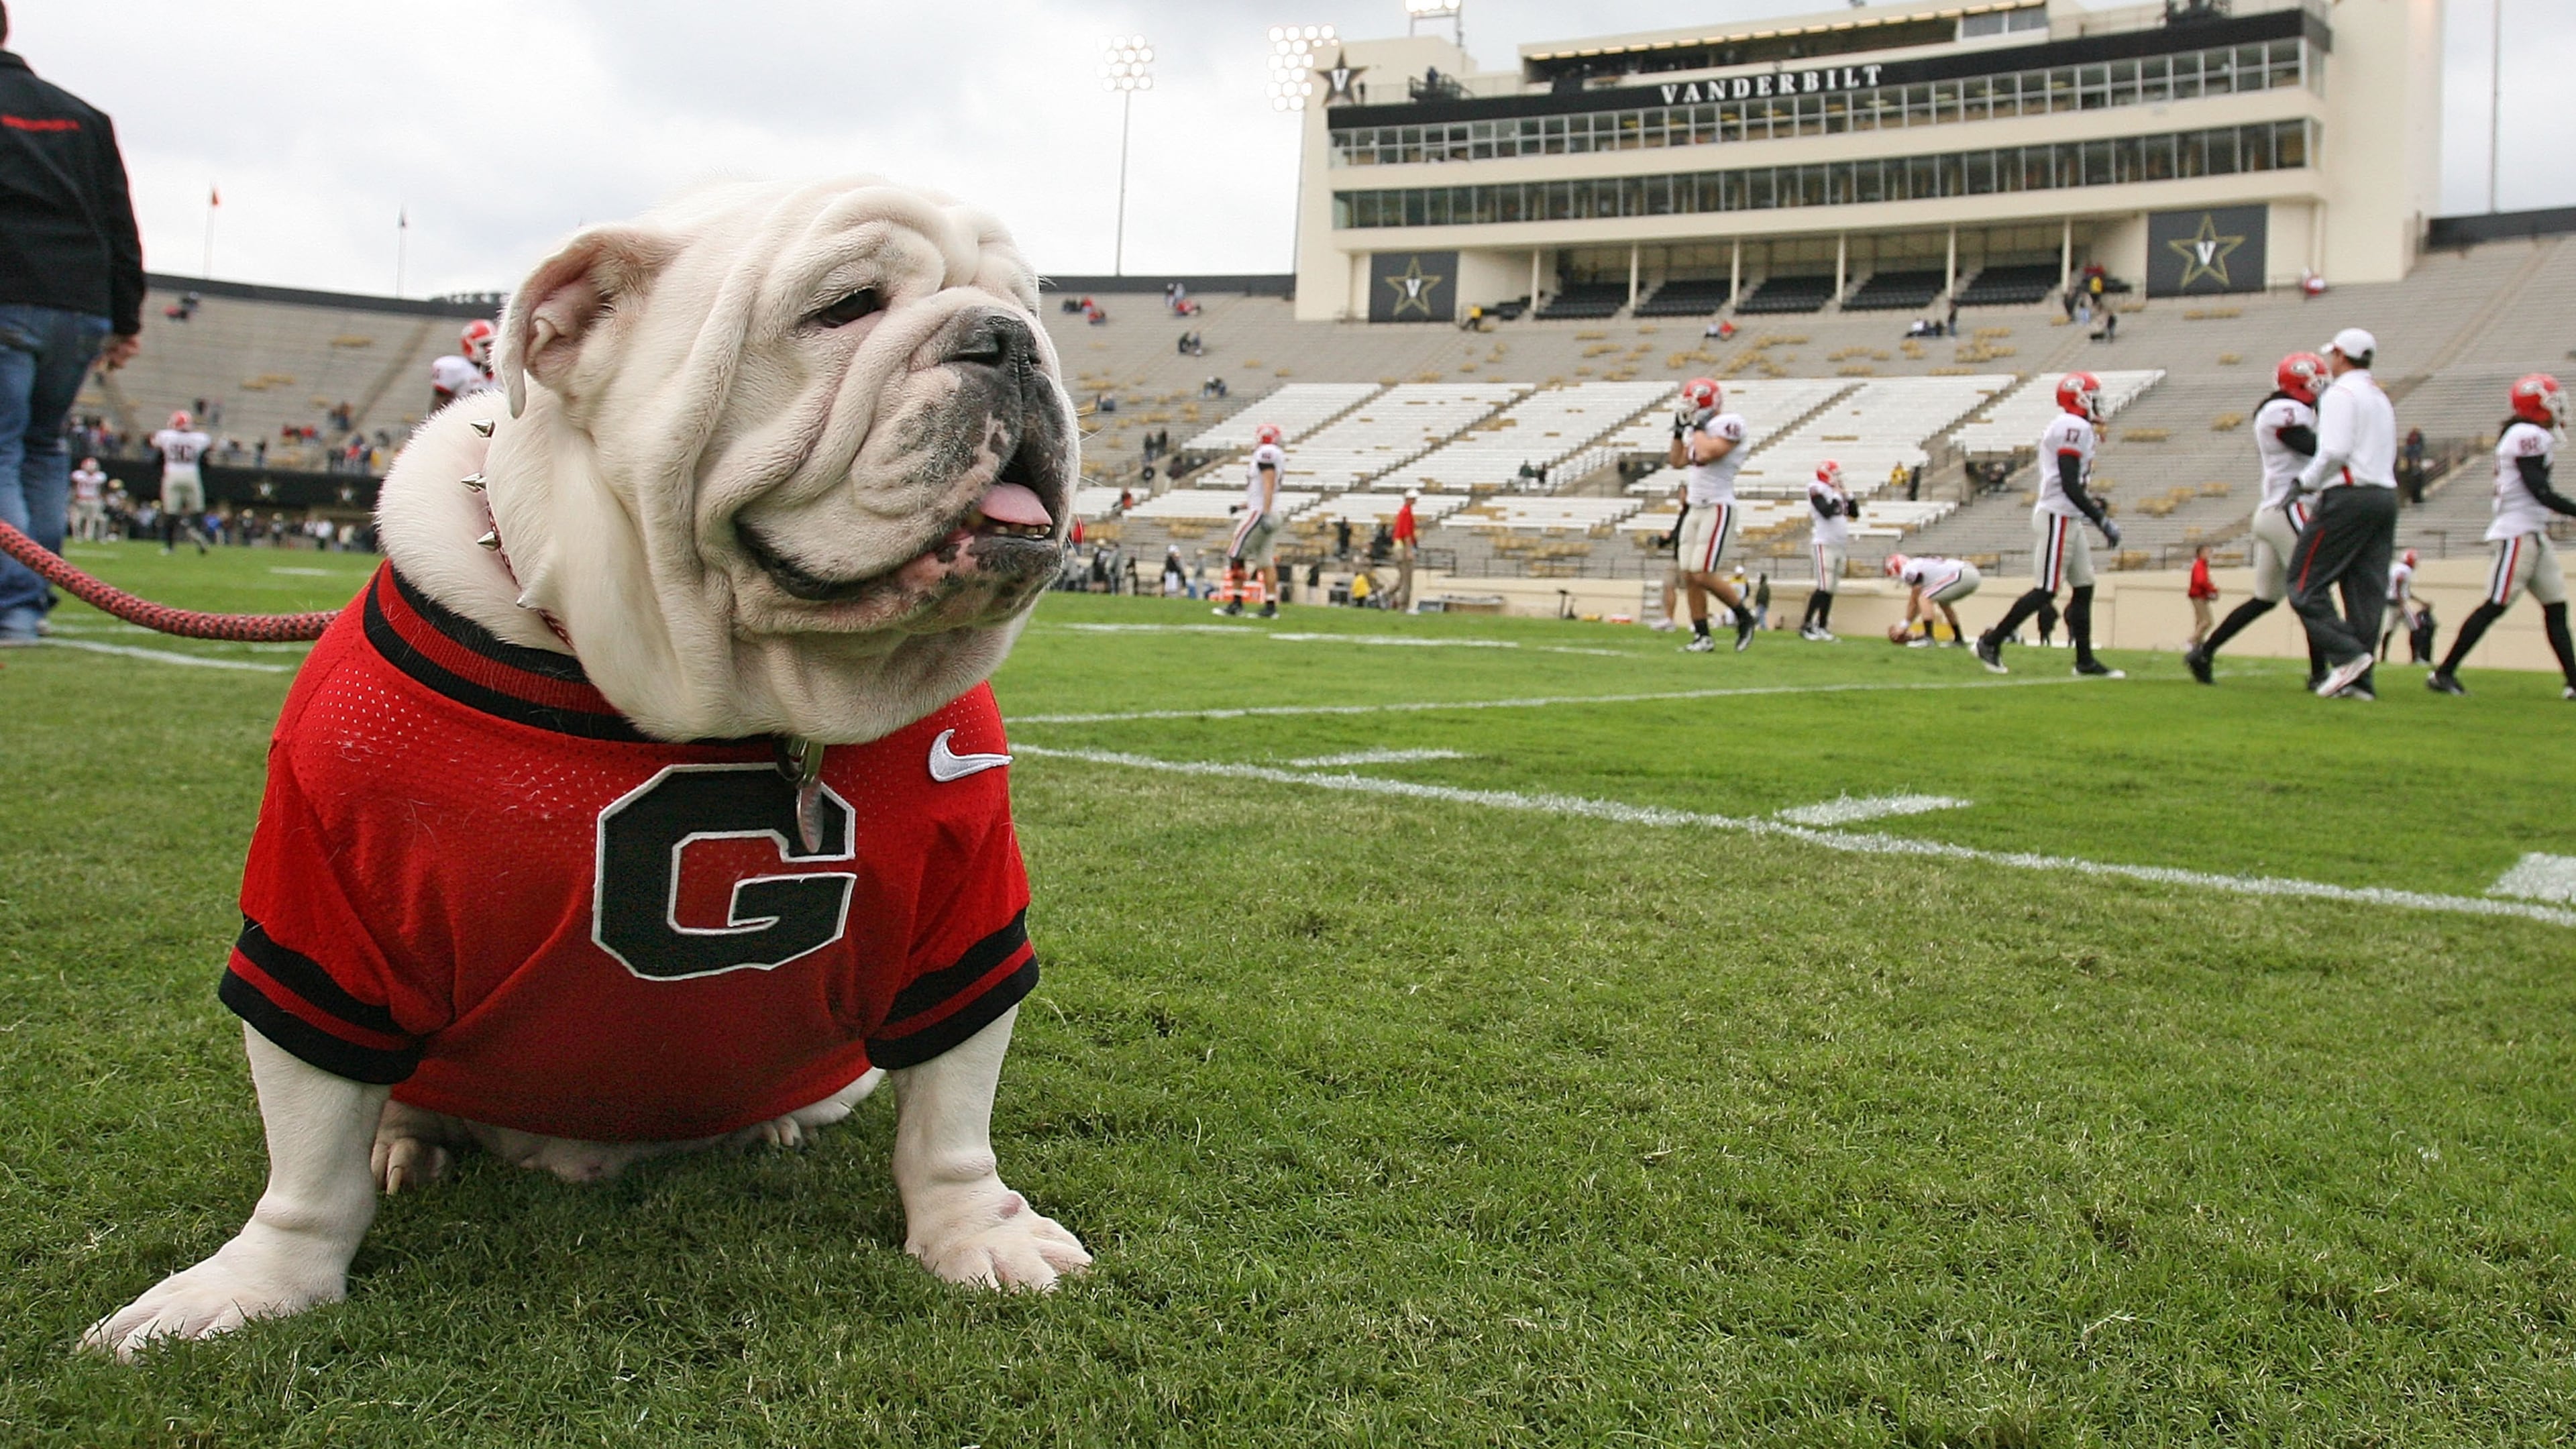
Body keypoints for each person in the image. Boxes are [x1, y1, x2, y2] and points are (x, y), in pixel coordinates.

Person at [0, 5, 146, 643]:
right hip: (80, 304)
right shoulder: (84, 116)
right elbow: (119, 223)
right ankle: (33, 595)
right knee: (44, 448)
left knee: (4, 450)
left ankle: (15, 602)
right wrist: (126, 316)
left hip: (9, 295)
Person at [2428, 372, 2576, 699]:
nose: (2558, 411)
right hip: (2516, 534)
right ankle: (2444, 672)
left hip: (2532, 533)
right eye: (2552, 404)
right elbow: (2540, 490)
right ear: (2536, 407)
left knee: (2556, 608)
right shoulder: (2527, 435)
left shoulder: (2527, 433)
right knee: (2495, 605)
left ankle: (2574, 682)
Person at [2184, 352, 2327, 686]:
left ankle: (2204, 653)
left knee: (2266, 598)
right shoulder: (2284, 412)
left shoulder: (2292, 409)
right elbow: (2314, 448)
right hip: (2289, 509)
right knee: (2312, 591)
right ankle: (2321, 673)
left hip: (2272, 512)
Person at [1974, 372, 2125, 678]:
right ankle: (1991, 642)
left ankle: (2084, 662)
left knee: (2084, 586)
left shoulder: (2077, 427)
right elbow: (2069, 484)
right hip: (2058, 513)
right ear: (2079, 397)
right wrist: (2101, 520)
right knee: (2046, 590)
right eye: (2093, 395)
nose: (2098, 402)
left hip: (2067, 516)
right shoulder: (2073, 426)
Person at [2288, 327, 2400, 700]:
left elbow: (2333, 450)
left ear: (2340, 356)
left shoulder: (2341, 393)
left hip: (2349, 496)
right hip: (2384, 494)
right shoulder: (2379, 396)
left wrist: (2304, 481)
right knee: (2365, 590)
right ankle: (2360, 683)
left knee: (2304, 585)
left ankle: (2349, 657)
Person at [1666, 378, 1756, 653]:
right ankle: (1702, 636)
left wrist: (1697, 427)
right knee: (1690, 576)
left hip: (1718, 505)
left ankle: (1744, 617)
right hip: (1695, 506)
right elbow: (1677, 461)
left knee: (1703, 574)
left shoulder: (1730, 423)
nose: (1689, 407)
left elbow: (1706, 453)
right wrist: (1680, 432)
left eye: (1693, 402)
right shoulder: (1700, 429)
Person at [1220, 422, 1286, 619]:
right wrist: (1242, 506)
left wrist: (1263, 512)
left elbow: (1268, 482)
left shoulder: (1266, 452)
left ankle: (1237, 603)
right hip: (1271, 512)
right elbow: (1262, 490)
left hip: (1262, 514)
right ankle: (1271, 607)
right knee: (1266, 562)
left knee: (1236, 554)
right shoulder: (1276, 454)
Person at [1799, 459, 1855, 641]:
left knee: (1831, 589)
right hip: (1824, 543)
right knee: (1824, 586)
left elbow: (1855, 513)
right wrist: (1838, 496)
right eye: (1835, 474)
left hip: (1839, 546)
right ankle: (1806, 625)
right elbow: (1826, 510)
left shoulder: (1836, 491)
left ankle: (1822, 626)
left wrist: (1849, 496)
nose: (1838, 478)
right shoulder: (1816, 488)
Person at [148, 409, 211, 554]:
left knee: (171, 512)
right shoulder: (200, 438)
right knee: (197, 509)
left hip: (172, 474)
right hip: (192, 475)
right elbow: (206, 461)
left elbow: (157, 454)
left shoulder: (165, 436)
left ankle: (170, 546)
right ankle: (195, 529)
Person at [1886, 552, 1982, 645]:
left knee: (1924, 597)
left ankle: (1928, 638)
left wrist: (1904, 626)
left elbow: (1914, 601)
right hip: (1970, 574)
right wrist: (1910, 631)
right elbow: (1919, 606)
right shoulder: (1918, 564)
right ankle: (1958, 639)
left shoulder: (1908, 569)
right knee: (1942, 602)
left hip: (1963, 574)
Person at [429, 319, 498, 413]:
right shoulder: (456, 368)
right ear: (469, 345)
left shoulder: (502, 371)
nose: (490, 349)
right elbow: (437, 411)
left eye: (494, 345)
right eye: (485, 345)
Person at [1649, 480, 1687, 633]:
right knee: (1668, 584)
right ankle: (1669, 619)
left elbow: (1684, 533)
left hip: (1689, 557)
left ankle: (1698, 621)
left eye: (1682, 493)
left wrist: (1669, 535)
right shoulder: (1683, 513)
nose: (1680, 496)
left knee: (1693, 589)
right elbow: (1677, 533)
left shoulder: (1692, 512)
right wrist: (1665, 539)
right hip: (1678, 556)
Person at [2377, 549, 2418, 662]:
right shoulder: (2404, 570)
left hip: (2390, 600)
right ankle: (2415, 658)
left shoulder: (2395, 567)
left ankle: (2383, 657)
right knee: (2415, 627)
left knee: (2390, 629)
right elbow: (2399, 582)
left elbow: (2405, 591)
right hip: (2397, 602)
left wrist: (2421, 602)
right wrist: (2401, 604)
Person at [1391, 487, 1419, 612]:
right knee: (1407, 579)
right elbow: (1407, 533)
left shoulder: (1403, 512)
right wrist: (1409, 551)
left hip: (1399, 546)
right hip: (1403, 547)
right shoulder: (1407, 513)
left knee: (1402, 578)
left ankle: (1384, 594)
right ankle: (1403, 606)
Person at [68, 454, 105, 541]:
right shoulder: (79, 475)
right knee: (76, 520)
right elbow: (75, 486)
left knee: (91, 520)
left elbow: (101, 488)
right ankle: (77, 536)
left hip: (93, 500)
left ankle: (88, 537)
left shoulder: (100, 476)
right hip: (81, 499)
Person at [2187, 543, 2217, 646]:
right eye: (2208, 552)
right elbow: (2201, 581)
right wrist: (2212, 590)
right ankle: (2192, 640)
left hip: (2199, 595)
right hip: (2198, 596)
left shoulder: (2202, 565)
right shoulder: (2200, 565)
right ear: (2201, 553)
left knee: (2200, 621)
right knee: (2207, 621)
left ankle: (2198, 646)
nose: (2210, 554)